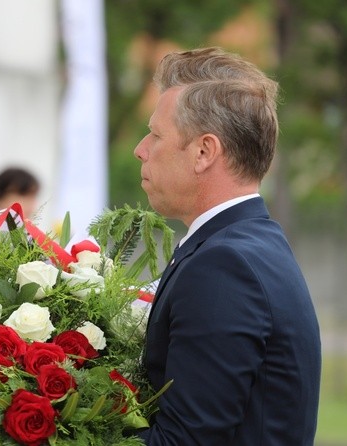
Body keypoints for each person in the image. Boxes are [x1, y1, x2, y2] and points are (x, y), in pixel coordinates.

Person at [133, 47, 321, 445]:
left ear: (204, 152)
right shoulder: (246, 244)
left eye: (156, 134)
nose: (141, 149)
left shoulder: (224, 265)